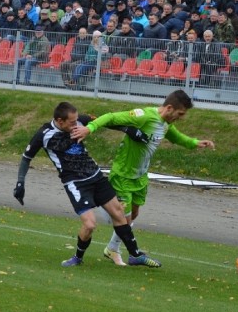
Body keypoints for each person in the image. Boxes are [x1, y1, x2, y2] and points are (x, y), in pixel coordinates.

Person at [70, 90, 214, 266]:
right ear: (169, 108)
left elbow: (176, 137)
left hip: (140, 177)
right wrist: (89, 128)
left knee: (134, 214)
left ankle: (111, 247)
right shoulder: (144, 116)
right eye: (181, 113)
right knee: (125, 219)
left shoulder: (165, 123)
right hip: (123, 175)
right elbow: (110, 117)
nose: (181, 118)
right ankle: (119, 249)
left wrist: (195, 143)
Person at [13, 101, 161, 267]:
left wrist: (129, 130)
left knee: (119, 214)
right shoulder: (44, 134)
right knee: (90, 225)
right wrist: (20, 182)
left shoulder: (79, 122)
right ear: (59, 121)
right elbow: (26, 158)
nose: (76, 124)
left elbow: (102, 121)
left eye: (77, 120)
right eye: (71, 122)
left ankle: (135, 255)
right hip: (75, 183)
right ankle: (77, 257)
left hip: (96, 176)